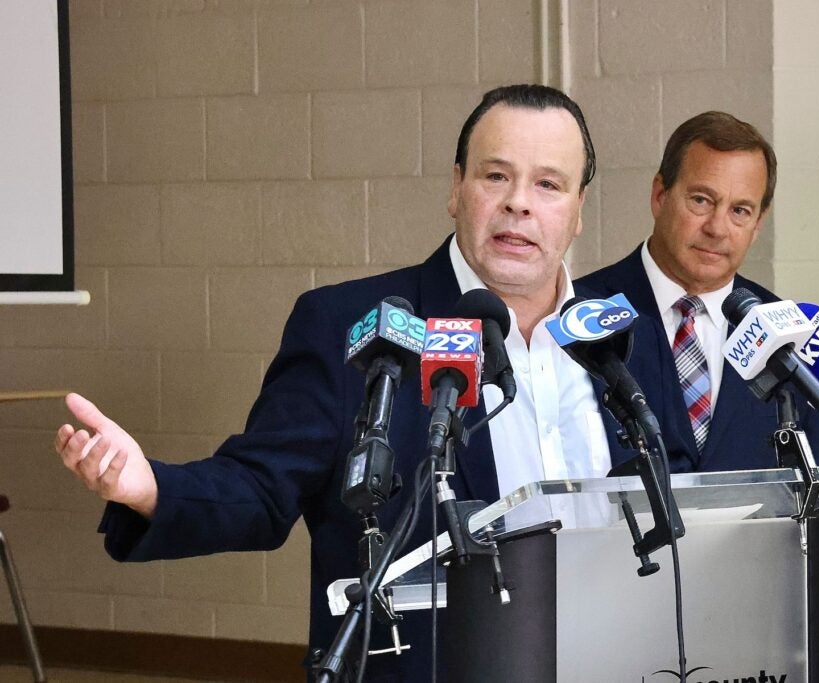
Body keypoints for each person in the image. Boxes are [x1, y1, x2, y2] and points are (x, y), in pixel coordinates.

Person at [53, 84, 633, 682]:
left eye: (548, 184)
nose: (519, 204)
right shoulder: (350, 326)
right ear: (455, 188)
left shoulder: (618, 339)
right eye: (495, 176)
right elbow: (261, 489)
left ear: (578, 208)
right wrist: (150, 486)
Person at [577, 111, 819, 571]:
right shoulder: (577, 315)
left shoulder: (795, 337)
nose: (718, 227)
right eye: (701, 200)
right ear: (660, 195)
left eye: (740, 210)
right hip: (603, 604)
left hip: (755, 620)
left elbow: (800, 510)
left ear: (758, 222)